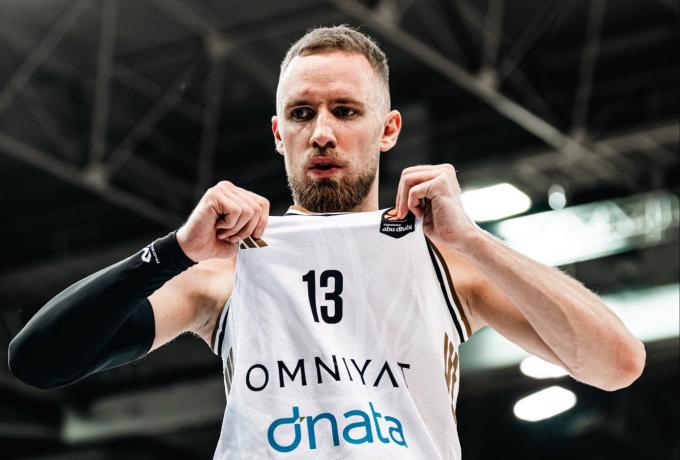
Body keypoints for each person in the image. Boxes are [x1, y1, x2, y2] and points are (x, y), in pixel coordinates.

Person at [8, 25, 645, 458]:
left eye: (345, 111)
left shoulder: (448, 264)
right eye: (302, 113)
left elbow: (617, 365)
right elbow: (38, 361)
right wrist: (174, 250)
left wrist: (475, 241)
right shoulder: (226, 271)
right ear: (278, 133)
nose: (321, 132)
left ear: (388, 129)